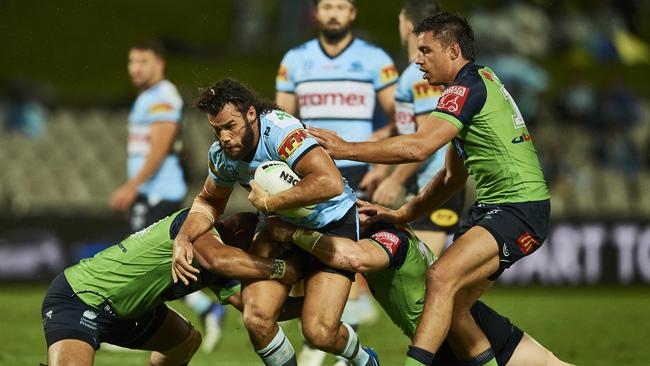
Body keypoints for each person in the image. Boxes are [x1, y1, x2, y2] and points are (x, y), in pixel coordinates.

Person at [309, 12, 551, 366]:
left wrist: (345, 148)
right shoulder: (476, 85)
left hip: (518, 208)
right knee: (453, 308)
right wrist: (404, 213)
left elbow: (419, 148)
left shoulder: (465, 89)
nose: (417, 59)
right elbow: (452, 178)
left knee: (440, 277)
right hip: (496, 209)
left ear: (453, 51)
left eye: (425, 50)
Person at [171, 79, 379, 366]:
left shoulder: (281, 132)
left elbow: (329, 182)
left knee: (319, 333)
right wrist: (182, 238)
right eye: (216, 129)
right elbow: (209, 201)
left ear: (251, 114)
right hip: (279, 228)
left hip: (330, 222)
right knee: (256, 318)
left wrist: (269, 204)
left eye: (230, 126)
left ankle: (366, 361)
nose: (224, 137)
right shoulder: (222, 155)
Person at [267, 210, 571, 365]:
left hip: (462, 337)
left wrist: (295, 234)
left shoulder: (389, 240)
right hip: (459, 332)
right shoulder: (396, 231)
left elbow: (354, 258)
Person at [275, 2, 398, 361]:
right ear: (316, 13)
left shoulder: (375, 59)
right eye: (326, 6)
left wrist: (379, 159)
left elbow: (397, 116)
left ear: (353, 13)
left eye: (340, 6)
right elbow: (283, 117)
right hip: (312, 171)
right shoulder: (294, 59)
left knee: (347, 256)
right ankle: (321, 337)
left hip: (358, 169)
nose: (333, 13)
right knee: (304, 250)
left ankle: (337, 340)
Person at [41, 210, 302, 366]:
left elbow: (261, 309)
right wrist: (281, 268)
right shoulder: (195, 226)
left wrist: (310, 305)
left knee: (184, 342)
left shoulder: (222, 264)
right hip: (81, 299)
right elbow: (219, 258)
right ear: (240, 236)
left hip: (131, 313)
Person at [109, 40, 225, 352]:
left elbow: (160, 147)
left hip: (159, 192)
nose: (135, 68)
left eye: (142, 61)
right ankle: (203, 309)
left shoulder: (162, 96)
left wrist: (132, 185)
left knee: (147, 264)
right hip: (150, 191)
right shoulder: (147, 98)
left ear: (159, 64)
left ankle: (137, 326)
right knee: (153, 265)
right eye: (132, 62)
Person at [372, 0, 465, 257]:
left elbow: (428, 135)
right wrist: (390, 131)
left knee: (426, 275)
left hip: (433, 179)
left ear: (409, 26)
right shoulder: (429, 72)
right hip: (434, 178)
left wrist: (394, 180)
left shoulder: (418, 74)